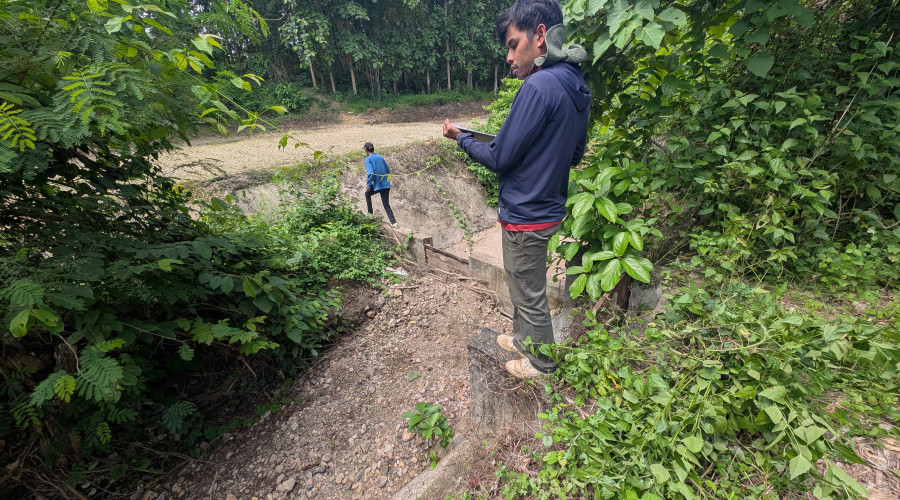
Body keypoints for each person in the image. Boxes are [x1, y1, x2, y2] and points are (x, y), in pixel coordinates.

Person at [442, 0, 590, 379]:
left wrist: (461, 138)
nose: (509, 56)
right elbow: (573, 154)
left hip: (526, 213)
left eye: (513, 44)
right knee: (523, 282)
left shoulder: (538, 85)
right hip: (547, 208)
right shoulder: (574, 82)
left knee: (527, 290)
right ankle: (525, 341)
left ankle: (542, 364)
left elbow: (499, 157)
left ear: (540, 35)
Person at [363, 142, 398, 228]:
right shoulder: (380, 157)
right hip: (385, 184)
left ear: (366, 151)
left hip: (377, 185)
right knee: (386, 204)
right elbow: (387, 170)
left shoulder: (368, 159)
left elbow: (370, 173)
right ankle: (394, 223)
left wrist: (368, 185)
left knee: (367, 194)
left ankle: (370, 214)